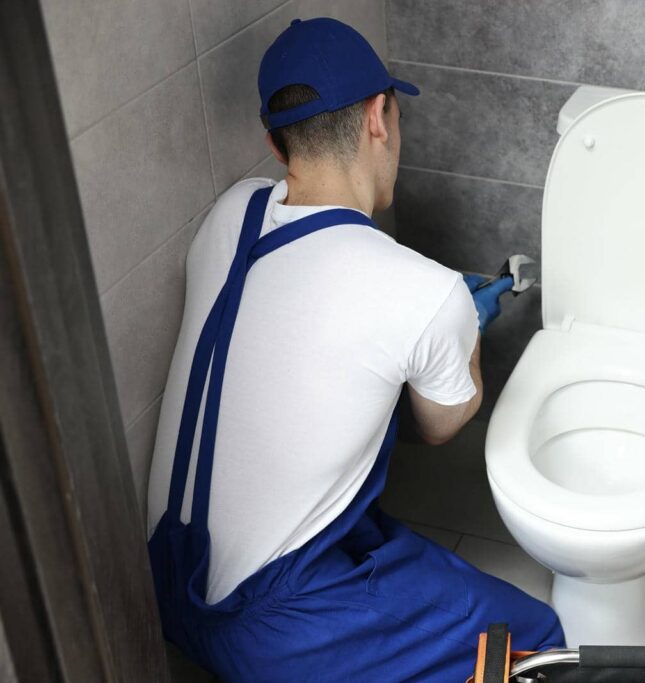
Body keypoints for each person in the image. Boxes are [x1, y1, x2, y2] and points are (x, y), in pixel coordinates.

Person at [145, 17, 564, 682]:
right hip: (273, 625)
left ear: (277, 146)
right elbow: (438, 424)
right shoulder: (422, 293)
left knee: (377, 534)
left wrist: (432, 311)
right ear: (379, 116)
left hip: (161, 582)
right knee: (536, 639)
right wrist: (460, 324)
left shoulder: (231, 213)